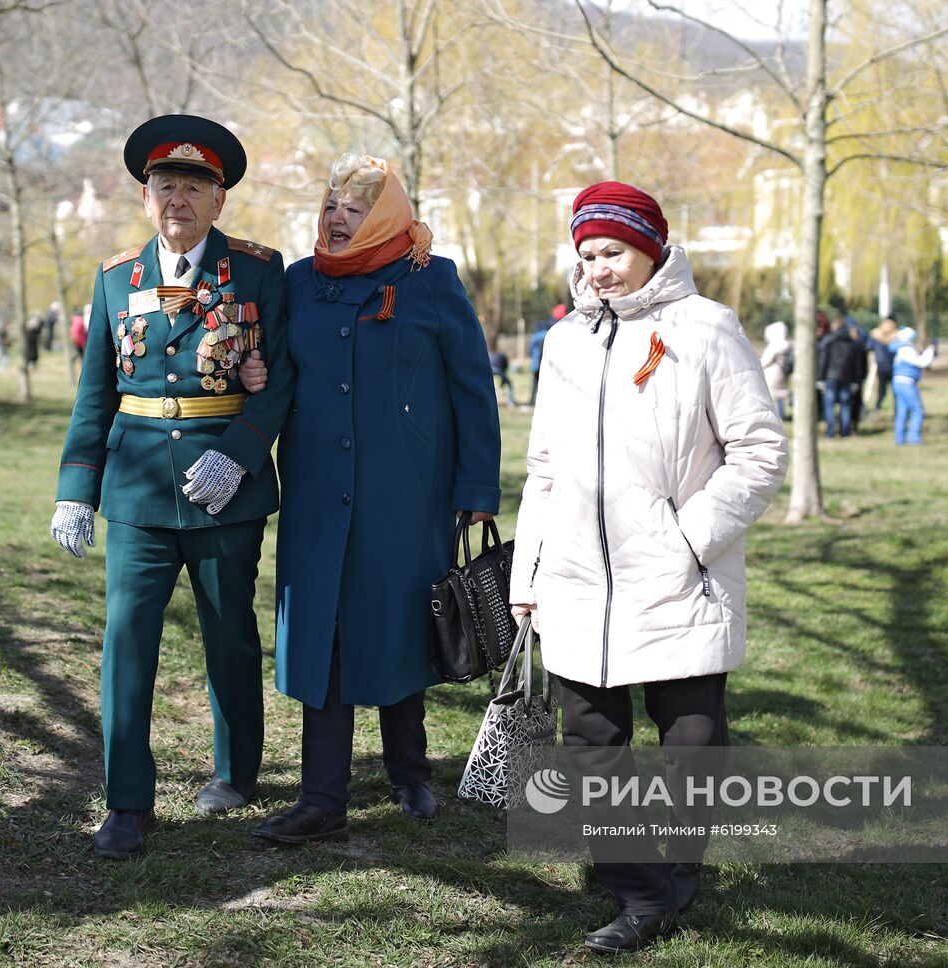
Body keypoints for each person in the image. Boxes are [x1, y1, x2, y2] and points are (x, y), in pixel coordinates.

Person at [508, 182, 787, 955]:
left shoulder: (706, 329)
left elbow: (759, 451)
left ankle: (679, 866)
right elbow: (544, 467)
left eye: (614, 252)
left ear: (652, 248)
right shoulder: (564, 340)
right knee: (593, 737)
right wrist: (527, 576)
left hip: (675, 575)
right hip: (576, 579)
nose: (599, 269)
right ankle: (640, 891)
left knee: (690, 737)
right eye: (587, 254)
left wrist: (687, 540)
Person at [49, 114, 294, 859]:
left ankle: (236, 772)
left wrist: (243, 453)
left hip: (224, 485)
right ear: (145, 195)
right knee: (127, 641)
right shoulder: (116, 276)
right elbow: (96, 394)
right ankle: (128, 802)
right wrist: (75, 487)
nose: (177, 198)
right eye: (164, 185)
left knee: (229, 635)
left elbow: (279, 376)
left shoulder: (256, 270)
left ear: (219, 201)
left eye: (194, 185)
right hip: (138, 489)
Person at [238, 153, 500, 846]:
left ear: (384, 215)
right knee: (322, 633)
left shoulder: (430, 278)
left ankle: (408, 771)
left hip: (407, 493)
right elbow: (271, 359)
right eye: (330, 206)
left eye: (353, 210)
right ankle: (321, 797)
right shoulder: (297, 281)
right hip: (319, 490)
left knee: (398, 625)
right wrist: (253, 367)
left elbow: (472, 384)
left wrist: (476, 486)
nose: (336, 218)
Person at [890, 326, 936, 445]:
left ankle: (899, 439)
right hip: (906, 383)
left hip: (898, 382)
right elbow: (922, 362)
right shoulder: (906, 349)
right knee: (917, 410)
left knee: (902, 411)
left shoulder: (901, 348)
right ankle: (914, 438)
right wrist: (930, 350)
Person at [817, 316, 862, 437]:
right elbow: (856, 364)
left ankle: (830, 432)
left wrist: (820, 378)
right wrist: (856, 381)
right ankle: (845, 431)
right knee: (845, 404)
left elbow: (823, 360)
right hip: (847, 377)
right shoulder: (852, 342)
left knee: (829, 405)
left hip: (830, 376)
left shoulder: (829, 340)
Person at [528, 303, 566, 405]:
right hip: (545, 363)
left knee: (535, 383)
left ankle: (531, 401)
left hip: (535, 363)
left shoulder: (535, 336)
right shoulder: (549, 334)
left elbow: (530, 349)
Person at [760, 320, 791, 419]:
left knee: (772, 395)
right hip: (783, 372)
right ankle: (781, 414)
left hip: (772, 373)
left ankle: (774, 416)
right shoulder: (787, 344)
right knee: (781, 395)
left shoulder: (774, 345)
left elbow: (765, 361)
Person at [868, 317, 898, 411]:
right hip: (892, 366)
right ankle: (897, 408)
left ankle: (878, 405)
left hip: (881, 365)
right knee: (895, 389)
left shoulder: (876, 337)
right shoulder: (896, 337)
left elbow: (869, 347)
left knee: (882, 388)